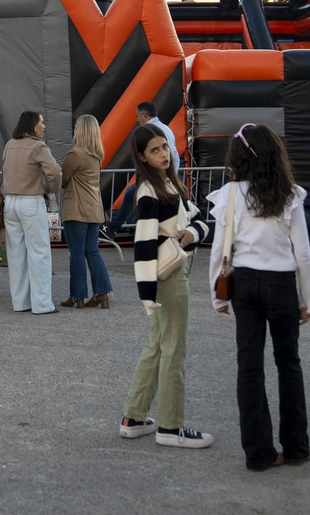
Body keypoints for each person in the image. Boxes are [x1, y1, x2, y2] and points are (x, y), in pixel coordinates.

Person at [208, 123, 310, 470]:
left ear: (238, 156)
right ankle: (296, 446)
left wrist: (217, 295)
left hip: (244, 284)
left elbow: (218, 251)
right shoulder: (290, 194)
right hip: (283, 284)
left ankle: (258, 453)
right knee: (289, 363)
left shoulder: (229, 194)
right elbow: (303, 253)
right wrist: (308, 300)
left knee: (249, 367)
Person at [122, 123, 213, 449]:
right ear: (143, 157)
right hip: (169, 276)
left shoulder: (168, 182)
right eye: (155, 150)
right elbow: (143, 242)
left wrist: (195, 232)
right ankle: (171, 428)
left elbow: (199, 218)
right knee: (173, 348)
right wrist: (146, 293)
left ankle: (134, 417)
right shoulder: (150, 190)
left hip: (171, 272)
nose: (163, 154)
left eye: (164, 147)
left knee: (159, 345)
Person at [1, 111, 62, 316]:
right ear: (33, 125)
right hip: (31, 201)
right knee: (39, 253)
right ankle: (42, 304)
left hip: (10, 202)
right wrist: (51, 189)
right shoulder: (38, 146)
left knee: (16, 254)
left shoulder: (10, 144)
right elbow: (54, 172)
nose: (44, 126)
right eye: (41, 122)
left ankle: (20, 302)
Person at [106, 102, 182, 236]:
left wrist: (168, 177)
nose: (137, 120)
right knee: (133, 195)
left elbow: (170, 156)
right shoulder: (165, 129)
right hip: (160, 177)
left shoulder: (153, 132)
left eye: (138, 116)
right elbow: (173, 155)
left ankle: (114, 229)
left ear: (144, 115)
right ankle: (115, 228)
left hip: (159, 178)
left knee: (133, 195)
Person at [60, 114, 112, 308]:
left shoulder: (75, 154)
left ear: (80, 130)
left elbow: (63, 178)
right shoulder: (96, 155)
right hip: (94, 209)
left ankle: (77, 296)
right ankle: (102, 292)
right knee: (93, 251)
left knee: (76, 253)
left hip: (76, 209)